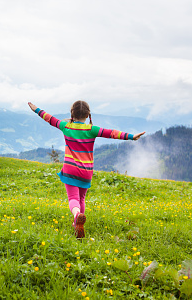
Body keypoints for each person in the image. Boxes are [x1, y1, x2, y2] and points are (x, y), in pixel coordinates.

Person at [28, 101, 145, 238]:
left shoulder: (65, 126)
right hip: (86, 172)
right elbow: (112, 133)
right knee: (81, 198)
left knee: (73, 198)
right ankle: (77, 223)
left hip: (70, 170)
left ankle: (77, 215)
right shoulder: (92, 130)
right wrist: (131, 136)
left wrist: (36, 109)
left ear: (72, 113)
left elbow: (49, 118)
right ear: (88, 114)